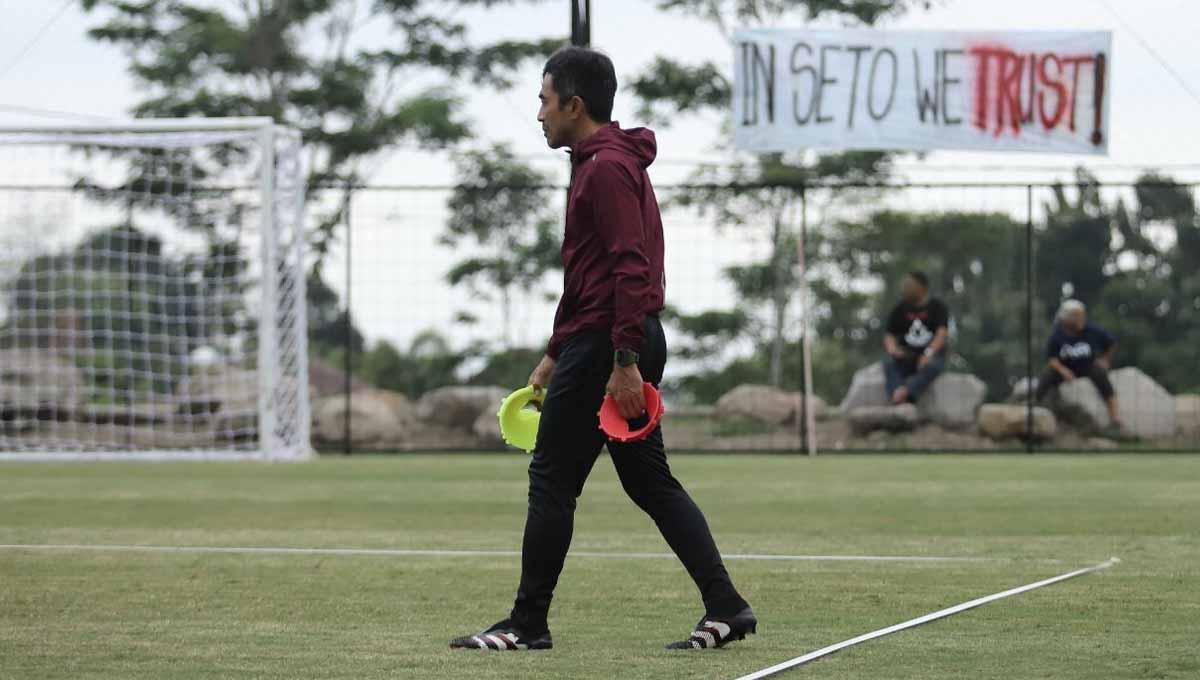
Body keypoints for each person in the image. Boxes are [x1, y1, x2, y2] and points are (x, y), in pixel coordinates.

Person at [449, 47, 755, 653]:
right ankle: (727, 606)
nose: (539, 114)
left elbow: (628, 269)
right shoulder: (599, 162)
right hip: (602, 341)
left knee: (552, 481)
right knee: (651, 485)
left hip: (613, 345)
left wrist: (622, 361)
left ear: (574, 104)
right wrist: (553, 351)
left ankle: (526, 624)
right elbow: (585, 275)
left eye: (543, 100)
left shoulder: (606, 168)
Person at [1035, 299, 1121, 428]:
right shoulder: (1057, 334)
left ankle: (1115, 418)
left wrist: (1105, 360)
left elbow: (1112, 342)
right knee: (1047, 375)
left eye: (1082, 315)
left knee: (1101, 375)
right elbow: (1052, 359)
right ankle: (1036, 406)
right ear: (1066, 318)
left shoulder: (1091, 330)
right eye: (1076, 316)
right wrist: (1063, 371)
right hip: (1065, 368)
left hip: (1087, 366)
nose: (1081, 319)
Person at [882, 271, 950, 405]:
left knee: (933, 367)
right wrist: (893, 350)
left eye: (908, 285)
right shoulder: (899, 309)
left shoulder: (937, 307)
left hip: (930, 355)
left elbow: (942, 333)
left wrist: (928, 353)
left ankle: (906, 393)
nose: (904, 288)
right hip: (907, 355)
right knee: (889, 363)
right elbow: (889, 334)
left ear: (922, 287)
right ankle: (897, 394)